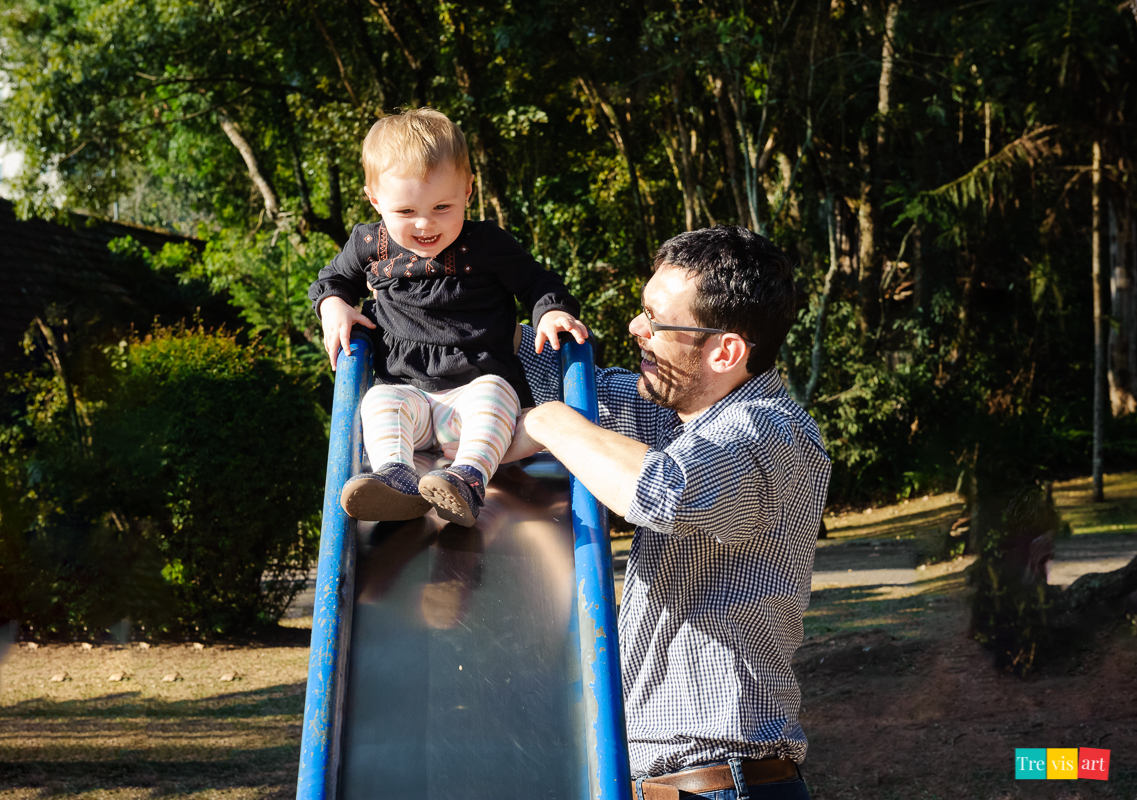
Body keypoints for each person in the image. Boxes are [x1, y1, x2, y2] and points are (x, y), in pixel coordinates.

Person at [509, 226, 831, 799]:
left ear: (725, 351)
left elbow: (662, 490)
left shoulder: (769, 432)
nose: (636, 328)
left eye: (655, 319)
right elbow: (550, 379)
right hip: (667, 785)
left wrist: (550, 424)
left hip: (721, 784)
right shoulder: (679, 420)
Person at [308, 108, 587, 527]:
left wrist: (551, 312)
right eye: (405, 212)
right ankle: (395, 476)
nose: (425, 223)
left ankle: (467, 479)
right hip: (410, 399)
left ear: (468, 190)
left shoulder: (487, 244)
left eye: (442, 206)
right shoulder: (369, 243)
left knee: (494, 390)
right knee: (378, 400)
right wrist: (334, 306)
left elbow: (538, 282)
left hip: (477, 408)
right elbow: (331, 280)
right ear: (375, 200)